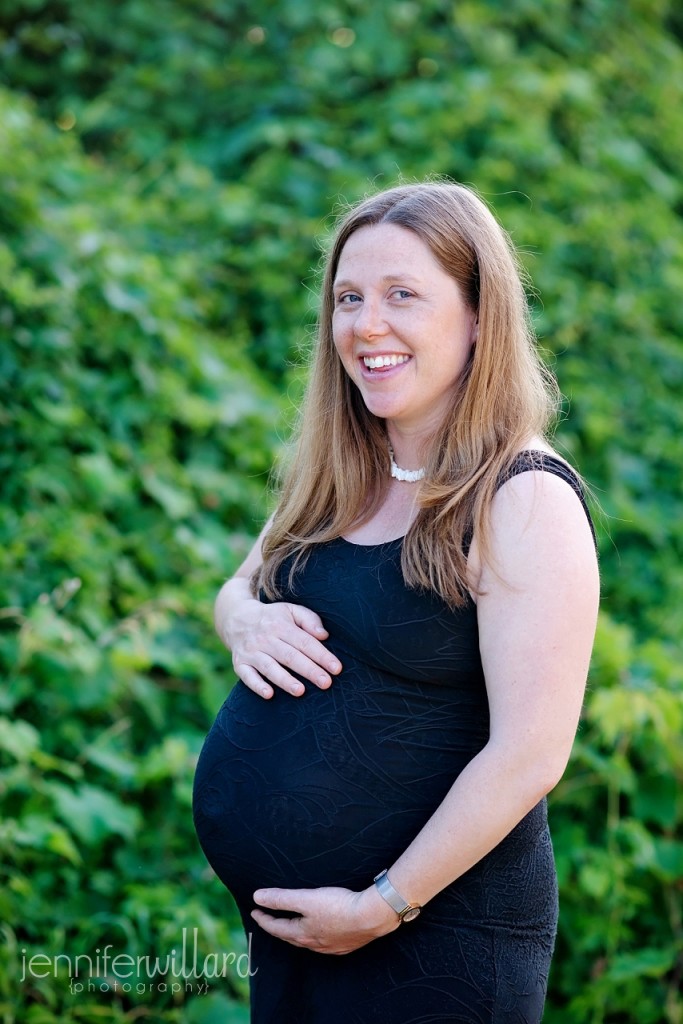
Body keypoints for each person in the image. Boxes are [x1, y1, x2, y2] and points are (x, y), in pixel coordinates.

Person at [192, 180, 600, 1023]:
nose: (364, 325)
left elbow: (530, 754)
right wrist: (245, 621)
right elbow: (236, 588)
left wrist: (381, 904)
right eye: (348, 298)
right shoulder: (343, 469)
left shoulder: (519, 498)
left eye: (401, 295)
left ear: (479, 315)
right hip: (302, 937)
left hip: (435, 939)